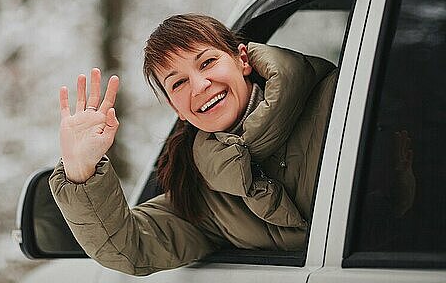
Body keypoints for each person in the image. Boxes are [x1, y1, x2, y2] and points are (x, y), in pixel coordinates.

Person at [49, 14, 338, 276]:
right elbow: (130, 248)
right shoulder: (204, 195)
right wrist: (80, 169)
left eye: (208, 62)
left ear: (242, 60)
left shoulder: (341, 99)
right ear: (175, 108)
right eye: (178, 83)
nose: (199, 86)